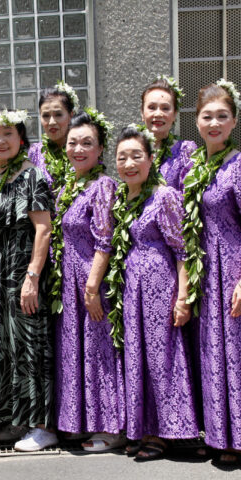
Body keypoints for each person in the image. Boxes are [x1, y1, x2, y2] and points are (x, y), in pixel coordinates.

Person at [106, 125, 199, 461]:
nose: (129, 163)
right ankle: (144, 428)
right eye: (122, 157)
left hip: (161, 288)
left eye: (136, 156)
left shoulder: (165, 196)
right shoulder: (121, 196)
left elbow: (183, 251)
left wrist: (183, 297)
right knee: (138, 358)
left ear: (149, 160)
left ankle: (165, 433)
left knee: (163, 359)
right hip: (132, 292)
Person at [0, 109, 56, 451]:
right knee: (2, 347)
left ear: (21, 137)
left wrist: (32, 277)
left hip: (22, 275)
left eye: (8, 133)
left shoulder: (32, 176)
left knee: (30, 349)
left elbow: (44, 228)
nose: (0, 140)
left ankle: (42, 427)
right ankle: (10, 420)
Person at [51, 109, 126, 451]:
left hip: (91, 281)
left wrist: (93, 287)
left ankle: (110, 428)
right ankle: (81, 421)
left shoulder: (103, 186)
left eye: (87, 143)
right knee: (78, 350)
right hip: (70, 282)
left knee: (99, 351)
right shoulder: (68, 185)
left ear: (100, 150)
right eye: (73, 142)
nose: (78, 149)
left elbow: (105, 240)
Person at [182, 80, 241, 465]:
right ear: (197, 122)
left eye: (222, 116)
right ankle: (220, 433)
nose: (214, 122)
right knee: (213, 353)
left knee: (235, 352)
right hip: (208, 273)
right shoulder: (196, 167)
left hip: (233, 267)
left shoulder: (239, 167)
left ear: (234, 122)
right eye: (207, 116)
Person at [141, 76, 197, 191]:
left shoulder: (186, 151)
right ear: (142, 113)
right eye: (152, 107)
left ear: (175, 114)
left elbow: (189, 200)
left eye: (165, 108)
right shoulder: (134, 149)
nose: (158, 114)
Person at [28, 81, 77, 195]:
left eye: (58, 115)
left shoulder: (82, 150)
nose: (51, 122)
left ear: (71, 115)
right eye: (45, 116)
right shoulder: (35, 152)